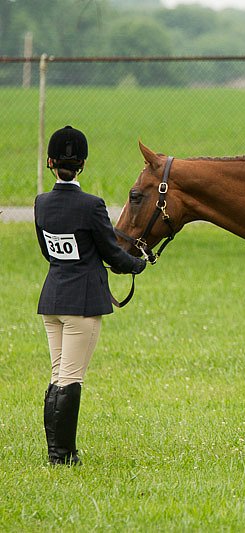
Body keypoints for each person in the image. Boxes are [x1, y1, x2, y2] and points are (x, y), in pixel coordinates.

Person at [35, 125, 147, 465]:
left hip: (52, 298)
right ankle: (63, 456)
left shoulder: (41, 203)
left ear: (51, 163)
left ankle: (56, 453)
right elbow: (113, 254)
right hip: (82, 303)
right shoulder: (92, 205)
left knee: (57, 375)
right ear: (82, 164)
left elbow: (49, 251)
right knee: (70, 378)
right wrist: (138, 265)